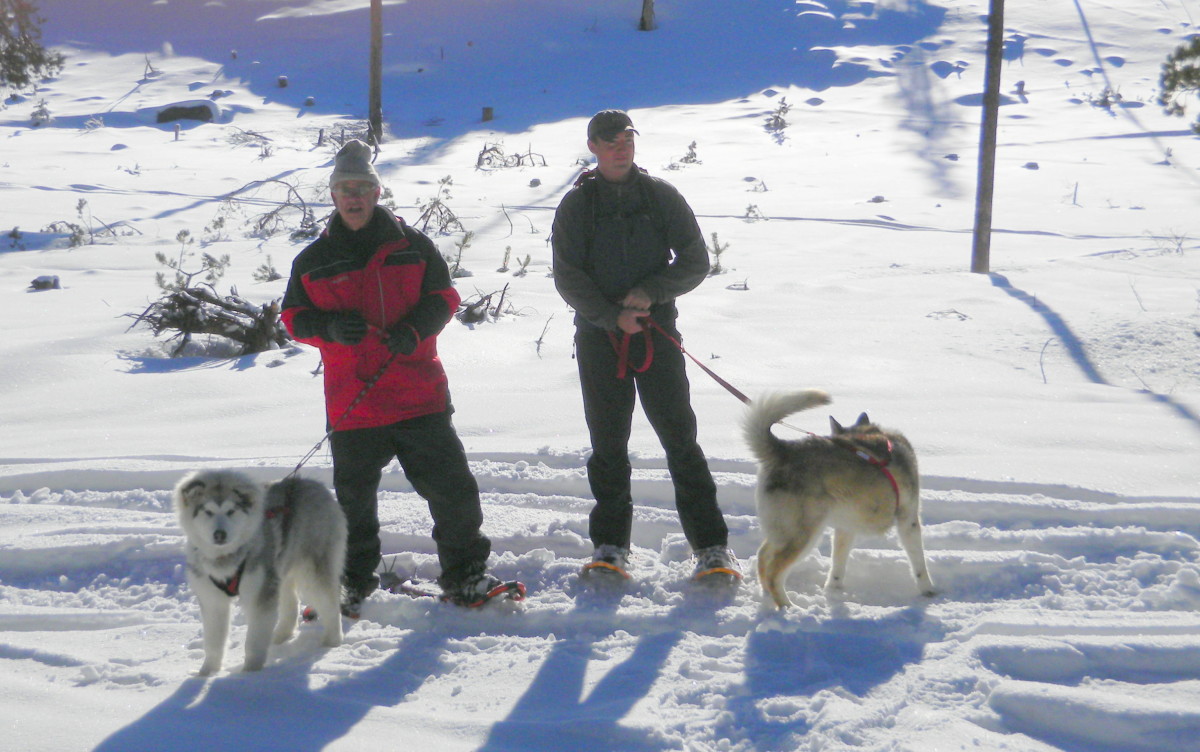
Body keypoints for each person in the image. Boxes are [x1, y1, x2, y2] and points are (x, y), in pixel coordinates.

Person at [281, 139, 513, 614]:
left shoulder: (414, 246)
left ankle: (465, 575)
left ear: (376, 192)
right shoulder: (313, 260)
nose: (354, 197)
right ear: (333, 195)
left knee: (454, 493)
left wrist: (415, 329)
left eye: (362, 188)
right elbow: (292, 319)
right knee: (352, 509)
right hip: (353, 404)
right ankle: (347, 584)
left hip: (418, 396)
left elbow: (445, 298)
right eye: (345, 189)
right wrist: (328, 328)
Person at [551, 110, 741, 584]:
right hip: (599, 340)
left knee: (680, 440)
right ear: (593, 147)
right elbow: (568, 277)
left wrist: (652, 292)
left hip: (658, 334)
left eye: (627, 139)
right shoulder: (577, 206)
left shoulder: (660, 196)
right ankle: (610, 547)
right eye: (610, 140)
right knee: (608, 446)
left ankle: (712, 548)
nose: (621, 147)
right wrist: (610, 316)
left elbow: (695, 261)